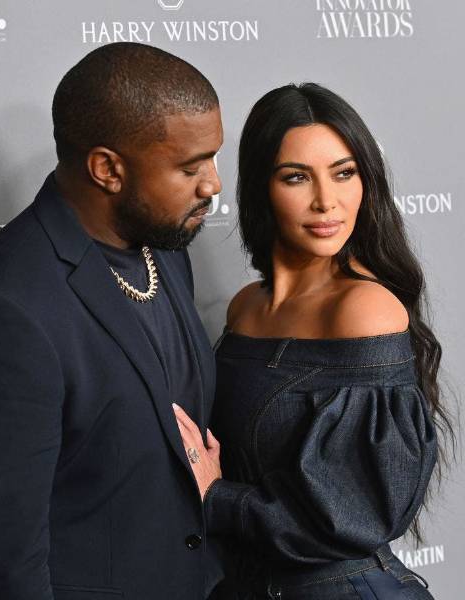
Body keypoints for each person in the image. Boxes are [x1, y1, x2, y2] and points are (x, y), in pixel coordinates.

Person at [0, 42, 224, 600]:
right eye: (189, 167)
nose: (212, 184)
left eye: (212, 159)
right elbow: (1, 567)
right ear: (107, 169)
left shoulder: (163, 249)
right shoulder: (8, 311)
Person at [173, 83, 453, 599]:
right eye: (297, 177)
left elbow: (357, 515)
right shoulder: (246, 306)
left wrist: (219, 499)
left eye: (344, 173)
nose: (327, 201)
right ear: (262, 187)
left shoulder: (364, 310)